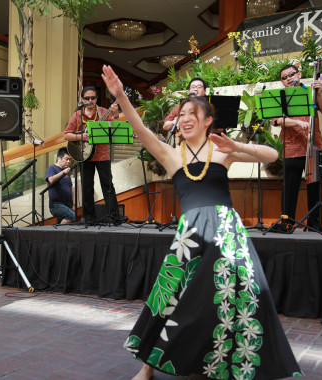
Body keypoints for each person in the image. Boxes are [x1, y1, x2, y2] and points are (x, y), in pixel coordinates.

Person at [101, 65, 302, 379]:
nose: (185, 117)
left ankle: (227, 360)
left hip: (227, 231)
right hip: (191, 233)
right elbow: (140, 128)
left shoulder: (223, 151)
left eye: (193, 112)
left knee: (241, 292)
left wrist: (238, 147)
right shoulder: (170, 155)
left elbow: (271, 157)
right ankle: (148, 366)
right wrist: (120, 97)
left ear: (208, 120)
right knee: (170, 295)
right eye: (181, 113)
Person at [271, 64, 322, 232]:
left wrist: (319, 92)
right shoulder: (281, 97)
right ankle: (287, 222)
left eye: (291, 74)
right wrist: (297, 122)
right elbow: (277, 120)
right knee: (290, 186)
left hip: (314, 145)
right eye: (284, 77)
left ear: (299, 74)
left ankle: (314, 222)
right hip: (292, 146)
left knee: (314, 186)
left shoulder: (310, 91)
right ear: (282, 82)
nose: (288, 78)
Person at [64, 86, 125, 225]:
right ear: (82, 99)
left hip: (102, 154)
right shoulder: (78, 115)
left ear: (96, 98)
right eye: (87, 98)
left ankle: (115, 217)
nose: (90, 100)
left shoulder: (104, 112)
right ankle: (89, 218)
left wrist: (115, 115)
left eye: (93, 97)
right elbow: (66, 135)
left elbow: (114, 129)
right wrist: (82, 137)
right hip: (84, 154)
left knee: (108, 185)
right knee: (87, 186)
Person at [45, 148, 75, 224]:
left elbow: (71, 188)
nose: (68, 161)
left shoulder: (67, 172)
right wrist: (62, 173)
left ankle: (57, 234)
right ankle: (58, 233)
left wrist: (73, 204)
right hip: (56, 205)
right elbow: (51, 180)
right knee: (72, 216)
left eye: (70, 159)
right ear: (59, 158)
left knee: (62, 223)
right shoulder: (52, 168)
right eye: (66, 159)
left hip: (67, 205)